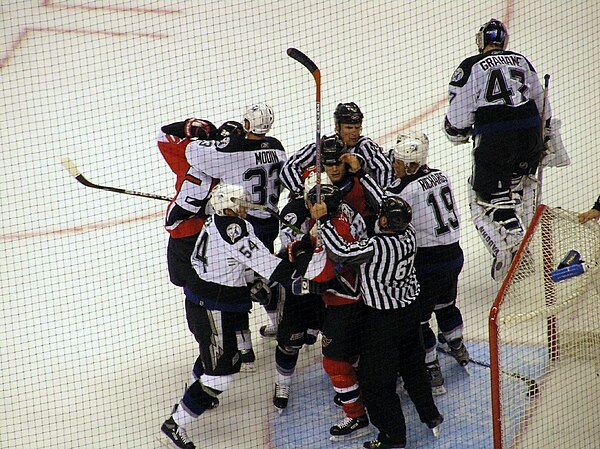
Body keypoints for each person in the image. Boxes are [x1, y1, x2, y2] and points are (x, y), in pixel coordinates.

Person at [160, 183, 295, 449]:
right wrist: (301, 275)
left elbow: (233, 261)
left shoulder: (217, 221)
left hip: (218, 301)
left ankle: (195, 394)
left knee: (213, 354)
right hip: (212, 306)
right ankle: (175, 424)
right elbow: (268, 265)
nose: (245, 207)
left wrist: (250, 281)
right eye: (240, 203)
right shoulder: (234, 231)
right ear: (229, 207)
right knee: (222, 372)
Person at [310, 195, 443, 449]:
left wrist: (324, 220)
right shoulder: (410, 234)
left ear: (383, 220)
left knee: (375, 385)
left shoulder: (376, 246)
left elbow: (341, 252)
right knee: (413, 369)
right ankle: (431, 415)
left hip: (384, 322)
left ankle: (393, 439)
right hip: (410, 314)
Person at [443, 18, 569, 281]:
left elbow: (458, 120)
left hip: (496, 140)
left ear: (482, 41)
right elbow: (541, 103)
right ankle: (525, 246)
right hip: (529, 137)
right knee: (519, 188)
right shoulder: (521, 60)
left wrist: (456, 130)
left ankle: (509, 245)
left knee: (483, 199)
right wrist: (544, 135)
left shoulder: (470, 66)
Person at [360, 131, 468, 395]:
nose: (392, 165)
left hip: (427, 262)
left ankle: (432, 370)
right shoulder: (442, 174)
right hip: (454, 254)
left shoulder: (404, 189)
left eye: (396, 161)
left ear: (411, 165)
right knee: (447, 304)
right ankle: (458, 346)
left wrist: (362, 175)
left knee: (419, 320)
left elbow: (386, 209)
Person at [185, 103, 288, 370]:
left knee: (238, 284)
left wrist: (218, 139)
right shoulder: (277, 147)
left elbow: (191, 152)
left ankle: (245, 350)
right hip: (269, 221)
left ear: (246, 124)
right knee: (258, 276)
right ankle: (277, 321)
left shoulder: (232, 151)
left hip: (243, 225)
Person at [286, 173, 371, 441]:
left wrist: (298, 252)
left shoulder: (332, 225)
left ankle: (357, 416)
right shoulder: (344, 211)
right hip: (359, 298)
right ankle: (360, 393)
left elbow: (319, 273)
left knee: (333, 362)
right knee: (353, 354)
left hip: (344, 302)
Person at [280, 102, 394, 198]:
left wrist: (384, 197)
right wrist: (302, 192)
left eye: (357, 128)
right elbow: (288, 168)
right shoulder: (323, 147)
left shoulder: (365, 146)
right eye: (349, 128)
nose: (354, 133)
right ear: (337, 127)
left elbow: (385, 168)